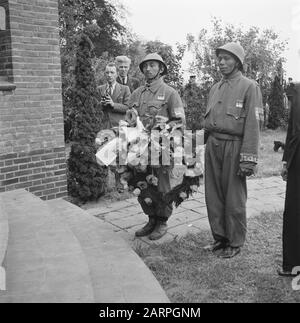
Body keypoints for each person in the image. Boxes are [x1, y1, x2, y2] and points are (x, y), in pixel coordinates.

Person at [203, 42, 262, 258]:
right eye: (219, 58)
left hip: (234, 147)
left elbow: (254, 125)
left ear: (238, 61)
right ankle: (220, 238)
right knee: (213, 195)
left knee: (234, 198)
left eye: (227, 58)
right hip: (213, 146)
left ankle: (235, 242)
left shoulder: (249, 86)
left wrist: (248, 159)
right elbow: (209, 121)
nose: (221, 62)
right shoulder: (214, 88)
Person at [128, 53, 186, 240]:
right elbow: (129, 119)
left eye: (152, 65)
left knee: (161, 186)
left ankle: (162, 221)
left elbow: (179, 122)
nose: (148, 69)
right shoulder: (137, 93)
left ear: (161, 69)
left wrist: (164, 134)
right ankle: (151, 218)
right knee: (141, 183)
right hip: (139, 149)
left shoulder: (170, 93)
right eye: (145, 66)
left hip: (160, 149)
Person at [278, 82, 300, 277]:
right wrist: (286, 162)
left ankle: (293, 265)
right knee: (294, 211)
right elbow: (293, 130)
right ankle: (292, 264)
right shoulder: (297, 89)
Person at [98, 62, 131, 192]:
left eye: (112, 72)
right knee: (104, 155)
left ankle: (119, 184)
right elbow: (95, 106)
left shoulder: (125, 89)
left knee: (119, 157)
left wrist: (113, 104)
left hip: (119, 128)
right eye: (107, 72)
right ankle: (103, 185)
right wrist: (100, 104)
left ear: (116, 74)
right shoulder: (100, 89)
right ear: (104, 74)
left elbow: (128, 108)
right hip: (104, 127)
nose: (109, 75)